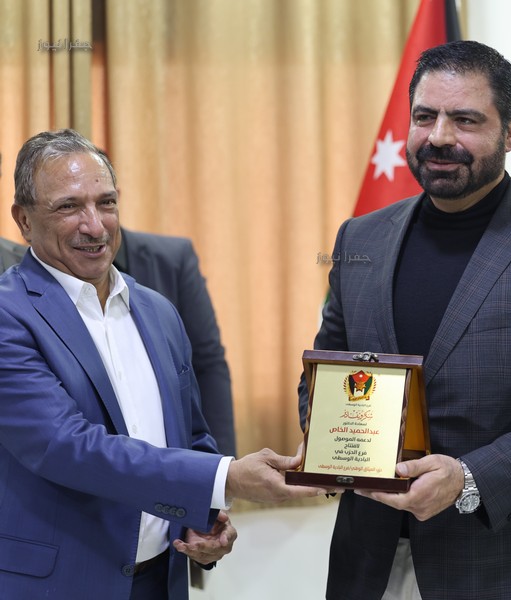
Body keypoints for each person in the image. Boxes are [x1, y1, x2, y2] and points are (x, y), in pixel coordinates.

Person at [299, 40, 511, 599]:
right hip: (369, 561)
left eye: (466, 119)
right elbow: (326, 371)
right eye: (425, 116)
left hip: (504, 564)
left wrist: (469, 480)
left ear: (510, 133)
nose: (439, 137)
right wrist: (331, 445)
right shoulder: (360, 237)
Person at [0, 128, 322, 600]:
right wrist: (226, 478)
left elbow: (191, 436)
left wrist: (206, 519)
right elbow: (68, 446)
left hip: (161, 581)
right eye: (69, 207)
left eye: (106, 203)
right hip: (61, 584)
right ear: (24, 220)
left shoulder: (157, 310)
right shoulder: (9, 314)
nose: (95, 226)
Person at [114, 228, 237, 456]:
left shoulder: (173, 258)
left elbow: (208, 362)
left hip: (178, 457)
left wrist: (224, 463)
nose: (93, 222)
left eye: (105, 207)